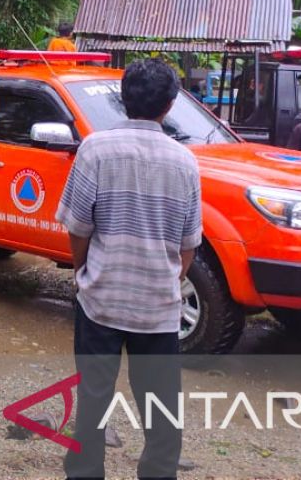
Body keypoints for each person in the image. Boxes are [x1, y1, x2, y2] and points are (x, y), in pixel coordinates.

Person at [56, 58, 200, 480]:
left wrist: (84, 272)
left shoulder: (95, 149)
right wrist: (167, 280)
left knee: (94, 396)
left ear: (123, 99)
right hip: (157, 306)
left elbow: (78, 227)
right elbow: (188, 243)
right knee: (160, 403)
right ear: (170, 105)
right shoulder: (184, 161)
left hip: (101, 298)